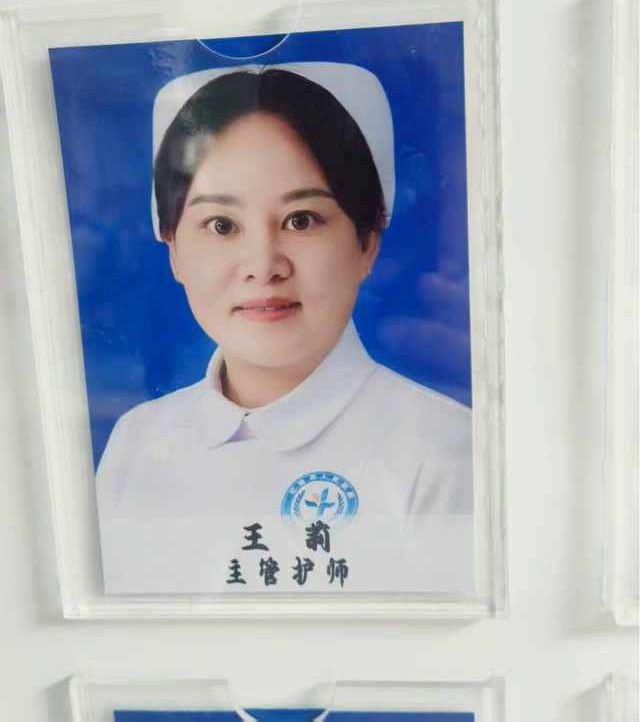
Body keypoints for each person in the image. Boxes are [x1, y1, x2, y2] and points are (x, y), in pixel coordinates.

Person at [96, 62, 473, 594]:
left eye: (302, 220)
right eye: (221, 225)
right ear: (174, 250)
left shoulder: (445, 450)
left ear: (367, 242)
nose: (262, 265)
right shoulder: (137, 438)